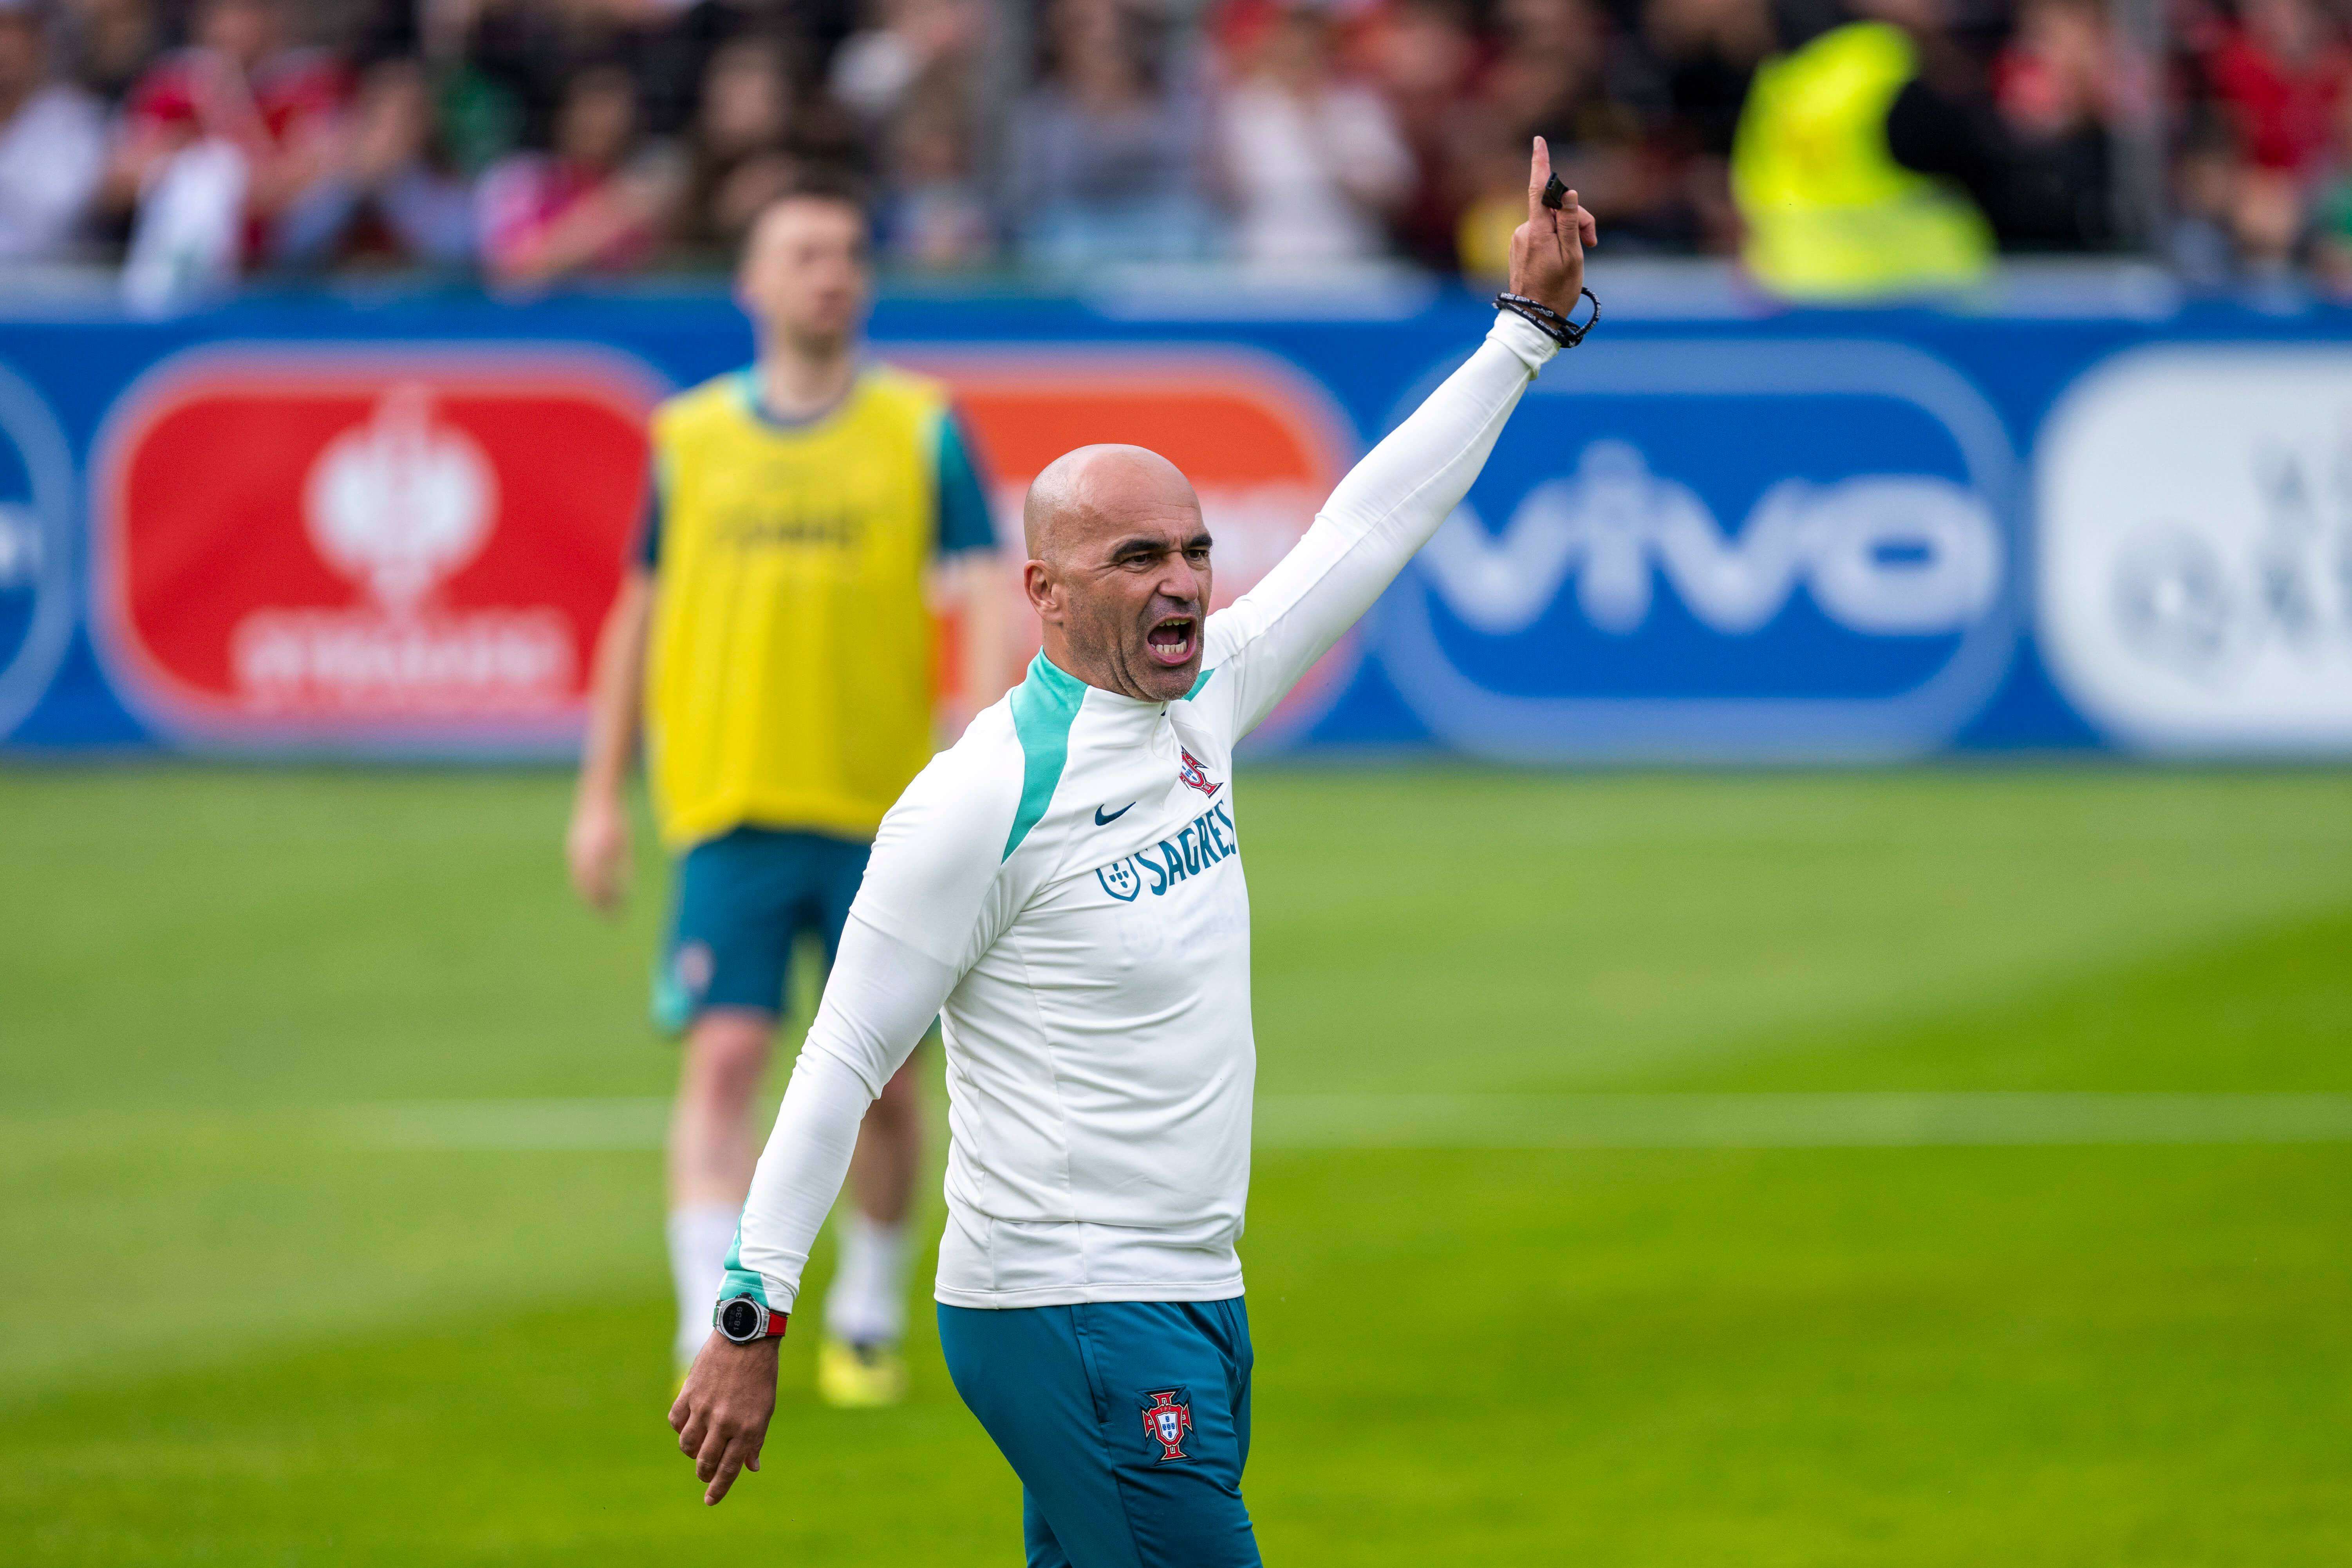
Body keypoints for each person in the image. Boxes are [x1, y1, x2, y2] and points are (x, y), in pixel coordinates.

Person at [668, 139, 1595, 1563]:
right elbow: (843, 1063)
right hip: (1063, 1308)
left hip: (1193, 1291)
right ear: (1041, 592)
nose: (1183, 585)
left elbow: (1363, 532)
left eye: (1195, 551)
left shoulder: (1205, 697)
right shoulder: (981, 799)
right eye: (1138, 561)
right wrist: (750, 1319)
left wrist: (1520, 335)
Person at [568, 178, 1007, 1407]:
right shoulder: (691, 437)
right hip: (730, 802)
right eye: (805, 253)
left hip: (883, 813)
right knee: (724, 1056)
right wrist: (598, 794)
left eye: (850, 252)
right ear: (752, 284)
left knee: (887, 1079)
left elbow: (979, 582)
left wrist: (971, 743)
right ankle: (706, 1319)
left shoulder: (920, 426)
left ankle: (866, 1302)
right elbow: (638, 614)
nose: (833, 272)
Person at [0, 0, 107, 265]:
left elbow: (63, 217)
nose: (4, 45)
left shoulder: (79, 122)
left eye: (16, 30)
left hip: (53, 294)